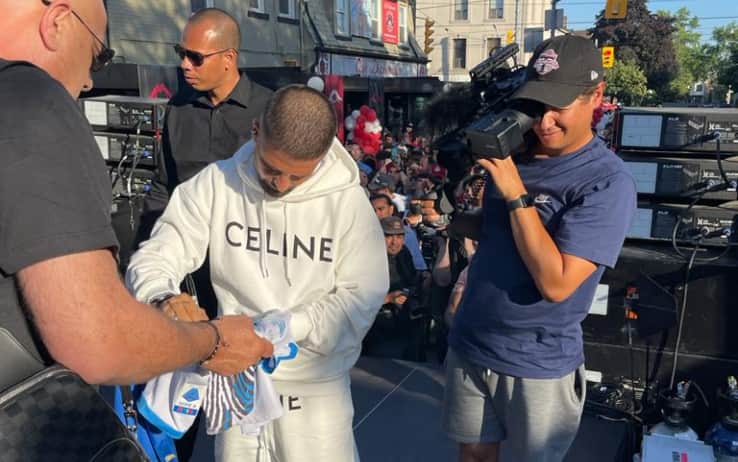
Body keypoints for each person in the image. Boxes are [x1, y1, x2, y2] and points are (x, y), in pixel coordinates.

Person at [0, 0, 271, 393]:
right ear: (55, 21)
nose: (90, 81)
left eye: (195, 57)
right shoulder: (177, 109)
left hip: (245, 266)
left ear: (228, 58)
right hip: (182, 266)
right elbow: (98, 340)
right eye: (181, 54)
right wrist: (150, 262)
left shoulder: (269, 110)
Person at [126, 85, 388, 462]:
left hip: (315, 389)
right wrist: (161, 296)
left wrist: (278, 331)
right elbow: (159, 252)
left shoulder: (348, 204)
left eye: (298, 177)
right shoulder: (217, 183)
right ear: (255, 131)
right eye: (272, 168)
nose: (281, 184)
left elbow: (361, 299)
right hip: (237, 382)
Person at [442, 35, 637, 462]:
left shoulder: (607, 182)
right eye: (536, 104)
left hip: (537, 361)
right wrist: (448, 211)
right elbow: (495, 230)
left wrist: (515, 191)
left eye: (559, 105)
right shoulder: (519, 154)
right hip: (472, 341)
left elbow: (557, 283)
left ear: (596, 96)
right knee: (473, 455)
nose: (545, 121)